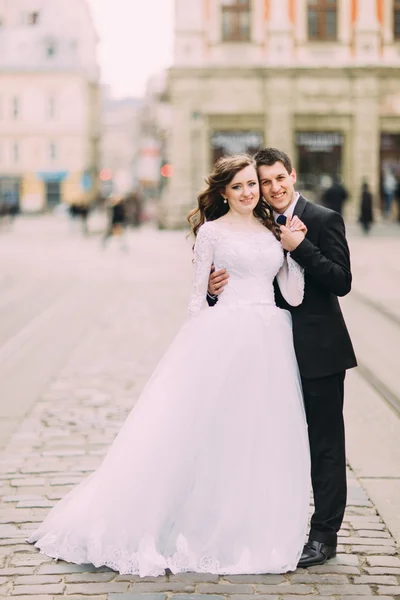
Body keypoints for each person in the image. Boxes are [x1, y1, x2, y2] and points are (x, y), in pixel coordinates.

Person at [28, 154, 311, 576]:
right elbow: (198, 299)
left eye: (252, 184)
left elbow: (293, 294)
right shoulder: (212, 233)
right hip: (224, 338)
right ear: (222, 193)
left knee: (256, 434)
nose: (249, 192)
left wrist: (295, 251)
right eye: (237, 187)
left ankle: (245, 521)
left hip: (268, 339)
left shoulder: (274, 230)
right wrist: (199, 353)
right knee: (210, 431)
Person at [208, 148, 357, 568]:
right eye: (264, 181)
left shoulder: (324, 218)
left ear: (292, 176)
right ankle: (272, 524)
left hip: (319, 353)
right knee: (271, 441)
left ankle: (324, 535)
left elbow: (342, 281)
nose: (272, 188)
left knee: (325, 445)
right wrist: (211, 290)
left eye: (279, 179)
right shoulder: (255, 222)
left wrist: (301, 246)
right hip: (268, 353)